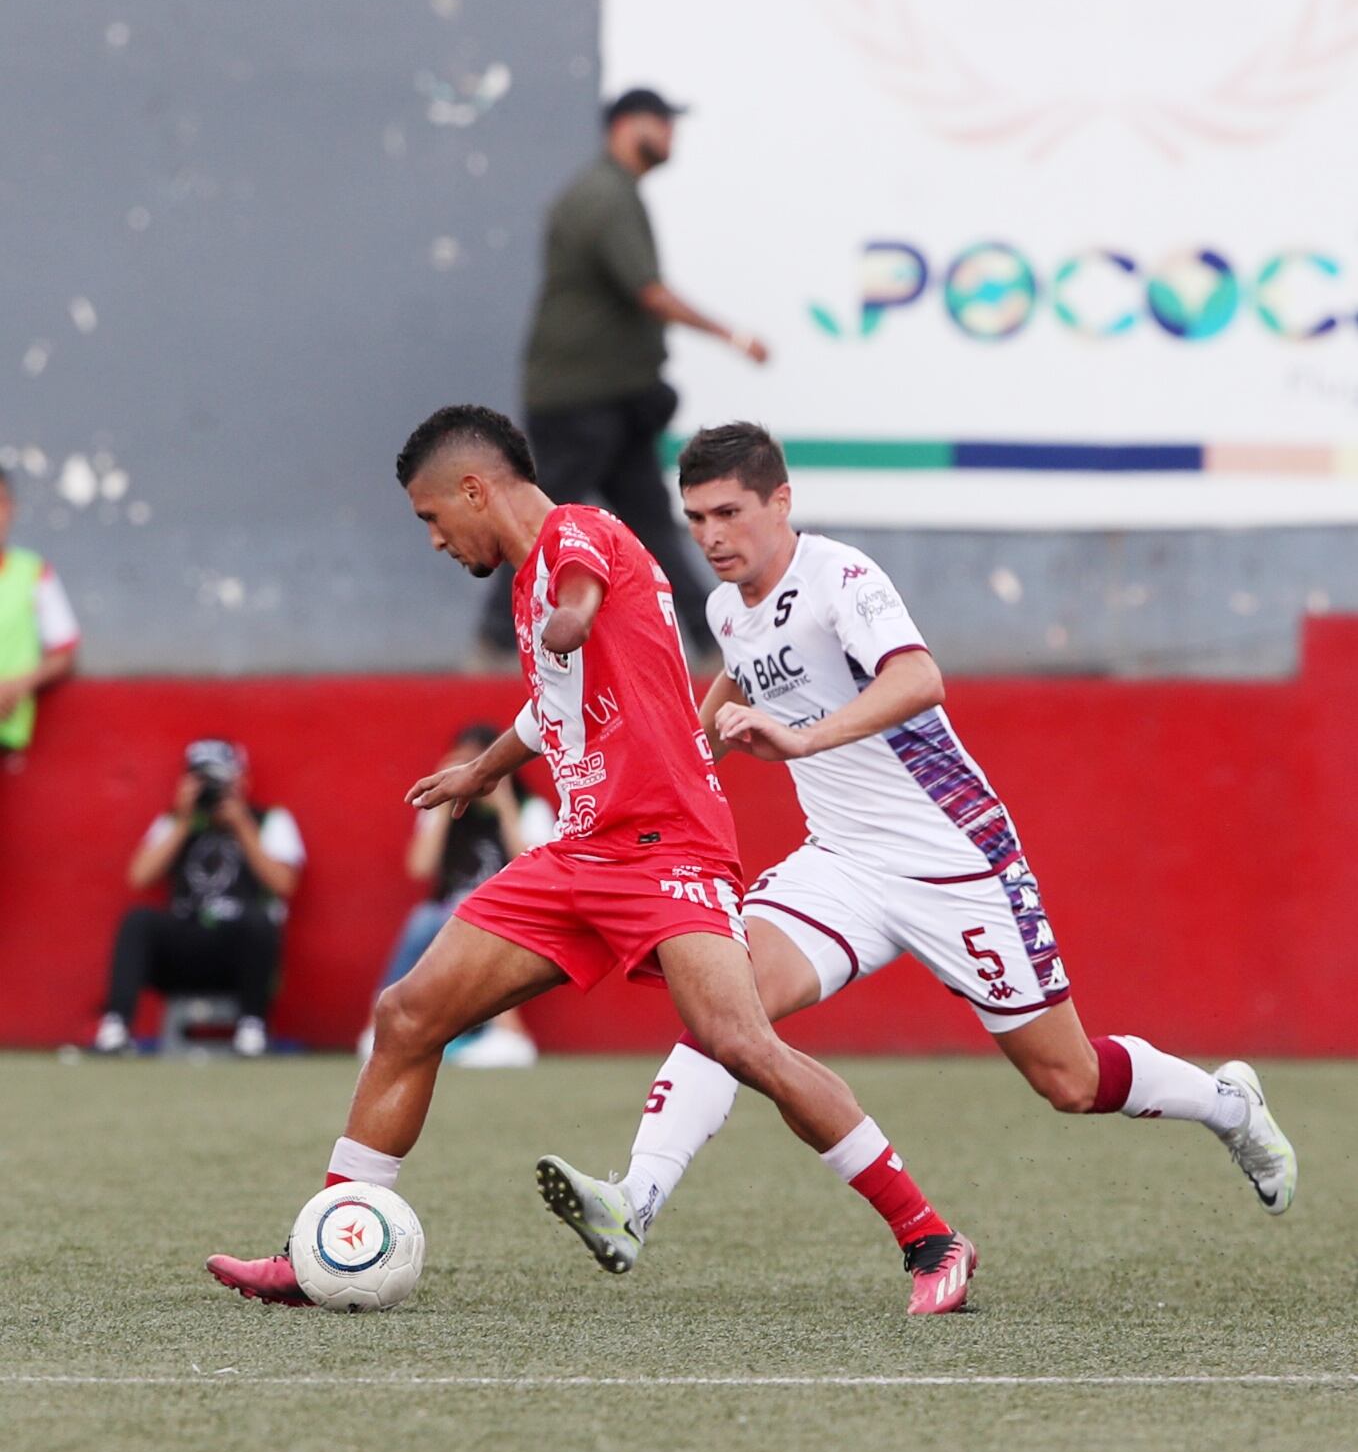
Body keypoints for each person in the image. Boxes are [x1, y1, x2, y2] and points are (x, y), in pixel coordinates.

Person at [206, 403, 975, 1314]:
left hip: (665, 847)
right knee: (408, 1013)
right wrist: (482, 772)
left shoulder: (580, 534)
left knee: (739, 1043)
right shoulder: (538, 580)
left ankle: (930, 1238)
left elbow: (580, 589)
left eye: (430, 518)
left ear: (472, 489)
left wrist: (569, 619)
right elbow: (552, 704)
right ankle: (324, 1245)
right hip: (581, 852)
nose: (436, 540)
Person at [538, 422, 1298, 1277]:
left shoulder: (843, 578)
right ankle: (634, 1199)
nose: (711, 536)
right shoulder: (724, 606)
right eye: (696, 518)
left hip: (955, 861)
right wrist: (672, 759)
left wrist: (805, 737)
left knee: (1069, 1081)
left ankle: (1228, 1104)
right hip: (841, 865)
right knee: (728, 1011)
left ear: (781, 502)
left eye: (729, 512)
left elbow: (918, 679)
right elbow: (729, 693)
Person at [475, 86, 770, 662]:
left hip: (613, 400)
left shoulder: (613, 192)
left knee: (650, 524)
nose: (670, 136)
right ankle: (490, 643)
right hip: (580, 402)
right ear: (627, 126)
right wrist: (733, 337)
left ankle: (711, 642)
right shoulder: (605, 197)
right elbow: (649, 292)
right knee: (536, 524)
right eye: (660, 123)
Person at [356, 720, 554, 1067]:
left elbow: (540, 869)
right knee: (425, 919)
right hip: (448, 914)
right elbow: (420, 868)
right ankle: (379, 1023)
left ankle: (509, 1034)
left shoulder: (529, 809)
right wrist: (445, 809)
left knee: (477, 921)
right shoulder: (445, 811)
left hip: (512, 912)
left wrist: (504, 804)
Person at [92, 739, 305, 1058]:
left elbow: (284, 883)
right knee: (138, 920)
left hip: (240, 952)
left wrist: (241, 825)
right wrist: (183, 822)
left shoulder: (270, 821)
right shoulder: (174, 821)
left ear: (241, 781)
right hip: (186, 945)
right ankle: (116, 1026)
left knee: (260, 921)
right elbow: (139, 877)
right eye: (200, 779)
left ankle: (252, 1027)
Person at [0, 466, 79, 762]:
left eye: (1, 502)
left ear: (13, 509)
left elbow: (65, 653)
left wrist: (13, 687)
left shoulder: (32, 573)